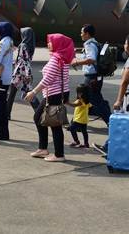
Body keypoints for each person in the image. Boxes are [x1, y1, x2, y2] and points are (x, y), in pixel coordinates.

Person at [92, 34, 129, 157]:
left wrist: (119, 100)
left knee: (124, 126)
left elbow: (124, 82)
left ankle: (108, 147)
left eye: (126, 43)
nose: (124, 45)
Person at [25, 33, 75, 162]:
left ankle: (58, 154)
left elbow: (48, 79)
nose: (48, 44)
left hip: (54, 94)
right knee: (48, 121)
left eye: (51, 42)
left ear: (58, 44)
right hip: (57, 94)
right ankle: (44, 149)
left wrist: (33, 92)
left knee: (49, 122)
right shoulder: (61, 58)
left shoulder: (56, 59)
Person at [71, 25, 110, 125]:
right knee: (89, 99)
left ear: (87, 34)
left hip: (91, 78)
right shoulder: (94, 43)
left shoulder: (89, 45)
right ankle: (76, 122)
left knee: (85, 99)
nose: (81, 34)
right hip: (96, 77)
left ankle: (110, 120)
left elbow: (91, 59)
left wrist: (77, 63)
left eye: (82, 32)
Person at [6, 27, 37, 118]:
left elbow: (24, 60)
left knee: (12, 94)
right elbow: (24, 59)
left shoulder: (23, 45)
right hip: (24, 72)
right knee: (29, 93)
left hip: (19, 73)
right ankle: (39, 112)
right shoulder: (30, 45)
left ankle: (7, 114)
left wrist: (27, 74)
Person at [67, 84, 92, 148]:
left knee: (72, 128)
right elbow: (90, 106)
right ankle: (86, 144)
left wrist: (66, 102)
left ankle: (76, 141)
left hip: (78, 119)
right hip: (84, 120)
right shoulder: (87, 102)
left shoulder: (80, 101)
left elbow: (74, 105)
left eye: (79, 93)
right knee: (84, 132)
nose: (78, 94)